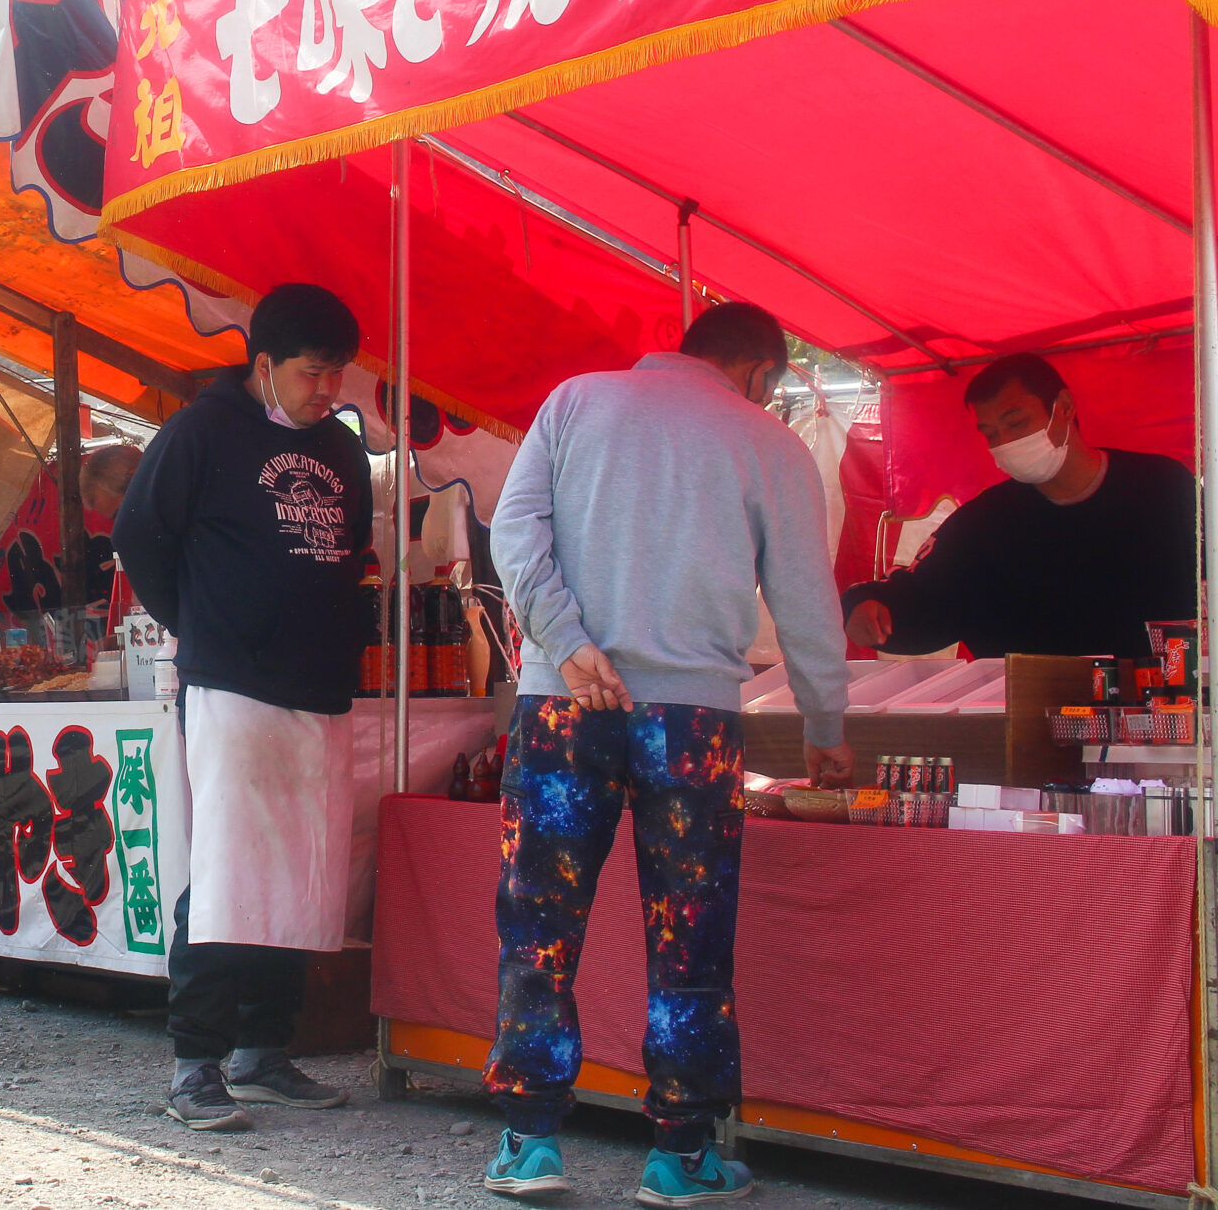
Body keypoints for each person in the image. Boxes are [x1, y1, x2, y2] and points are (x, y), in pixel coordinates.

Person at [480, 302, 851, 1204]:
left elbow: (513, 532)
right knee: (690, 933)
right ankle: (681, 1156)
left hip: (564, 702)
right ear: (762, 372)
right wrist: (825, 725)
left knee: (540, 920)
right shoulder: (768, 442)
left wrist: (566, 642)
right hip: (692, 721)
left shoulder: (573, 403)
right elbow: (806, 597)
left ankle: (529, 1142)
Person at [111, 283, 375, 1133]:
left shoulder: (340, 450)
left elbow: (352, 554)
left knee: (302, 867)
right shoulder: (204, 428)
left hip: (319, 686)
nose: (326, 390)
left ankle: (265, 1051)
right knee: (227, 870)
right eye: (311, 372)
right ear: (264, 365)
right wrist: (203, 622)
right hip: (229, 683)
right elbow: (140, 533)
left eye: (337, 374)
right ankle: (195, 1063)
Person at [843, 353, 1195, 659]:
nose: (1006, 443)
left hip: (1162, 712)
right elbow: (928, 598)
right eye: (992, 434)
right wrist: (866, 604)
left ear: (1066, 407)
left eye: (1016, 423)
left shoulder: (1163, 486)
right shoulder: (985, 523)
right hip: (1035, 719)